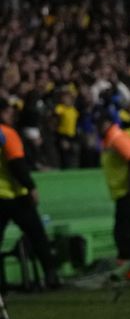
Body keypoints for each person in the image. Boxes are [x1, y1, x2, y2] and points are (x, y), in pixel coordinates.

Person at [0, 98, 60, 289]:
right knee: (38, 236)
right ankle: (51, 277)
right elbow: (16, 164)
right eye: (9, 111)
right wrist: (30, 186)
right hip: (14, 195)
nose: (12, 115)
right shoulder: (7, 133)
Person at [98, 111, 130, 259]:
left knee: (126, 230)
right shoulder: (110, 139)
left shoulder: (116, 137)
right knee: (127, 229)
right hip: (125, 191)